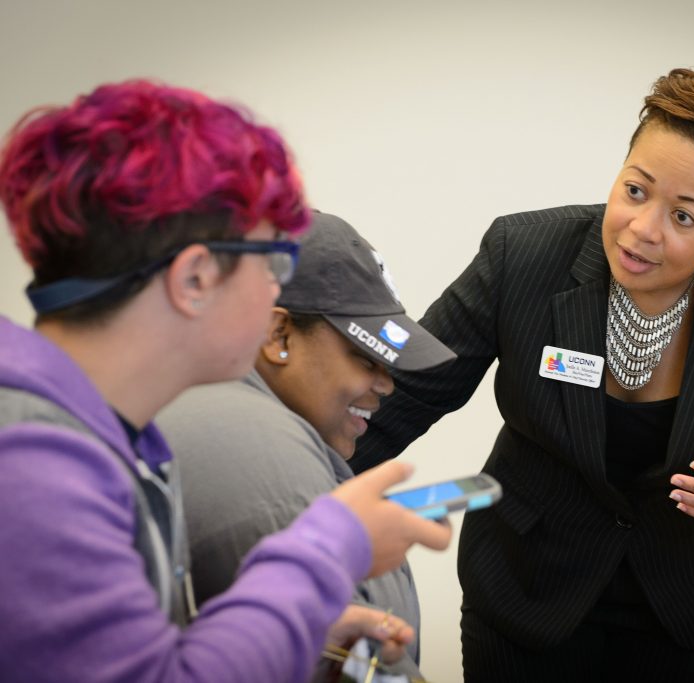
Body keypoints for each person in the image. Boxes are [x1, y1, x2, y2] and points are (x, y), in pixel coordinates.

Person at [352, 67, 694, 682]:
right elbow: (403, 392)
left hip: (693, 623)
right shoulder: (522, 256)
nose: (643, 229)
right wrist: (307, 503)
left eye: (685, 217)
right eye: (635, 190)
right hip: (526, 596)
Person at [0, 80, 450, 682]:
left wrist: (289, 629)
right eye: (272, 263)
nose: (275, 294)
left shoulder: (94, 433)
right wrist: (328, 547)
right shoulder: (35, 461)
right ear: (194, 279)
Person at [157, 210, 456, 680]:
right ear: (278, 335)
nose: (385, 385)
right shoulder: (255, 448)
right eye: (364, 357)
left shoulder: (234, 412)